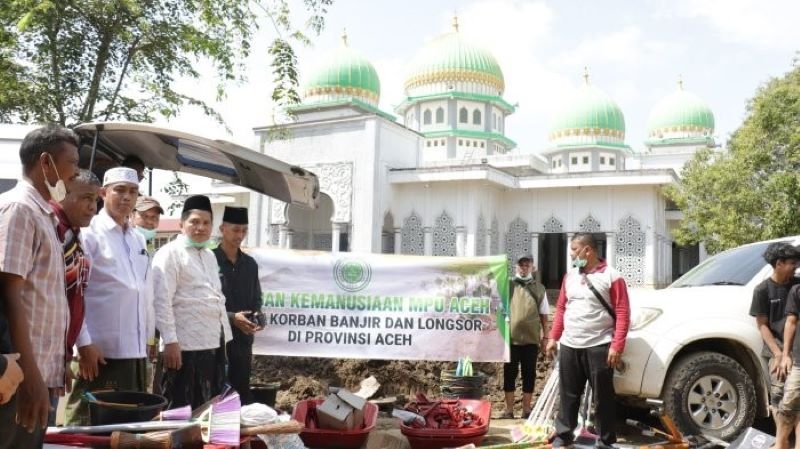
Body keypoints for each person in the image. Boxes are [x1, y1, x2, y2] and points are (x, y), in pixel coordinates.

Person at [0, 125, 79, 448]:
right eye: (72, 163)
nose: (75, 173)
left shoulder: (43, 213)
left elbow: (44, 297)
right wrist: (30, 375)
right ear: (46, 163)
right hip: (18, 376)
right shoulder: (19, 209)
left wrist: (56, 364)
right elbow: (9, 293)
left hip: (39, 374)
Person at [64, 167, 155, 425]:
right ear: (104, 193)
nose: (127, 197)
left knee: (127, 427)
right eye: (120, 190)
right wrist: (83, 344)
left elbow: (140, 291)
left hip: (133, 353)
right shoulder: (89, 233)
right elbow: (75, 291)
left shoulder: (137, 238)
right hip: (99, 354)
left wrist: (147, 339)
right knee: (87, 426)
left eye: (133, 191)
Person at [546, 232, 630, 449]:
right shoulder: (570, 276)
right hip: (570, 345)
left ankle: (605, 440)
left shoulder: (612, 276)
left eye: (575, 250)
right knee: (568, 395)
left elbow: (622, 312)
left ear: (588, 250)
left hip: (599, 346)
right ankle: (564, 436)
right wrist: (553, 337)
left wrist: (617, 346)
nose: (572, 255)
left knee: (603, 398)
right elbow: (562, 308)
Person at [153, 195, 232, 408]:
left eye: (206, 223)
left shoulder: (209, 255)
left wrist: (225, 341)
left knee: (208, 406)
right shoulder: (169, 254)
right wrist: (170, 341)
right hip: (182, 347)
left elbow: (216, 298)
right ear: (181, 224)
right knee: (179, 408)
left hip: (212, 344)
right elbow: (162, 300)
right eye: (194, 222)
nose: (200, 228)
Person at [49, 169, 100, 424]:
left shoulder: (74, 234)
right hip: (36, 358)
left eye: (95, 201)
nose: (92, 207)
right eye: (86, 198)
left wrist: (65, 356)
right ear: (62, 193)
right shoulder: (53, 229)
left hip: (57, 354)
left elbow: (74, 296)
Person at [750, 242, 800, 449]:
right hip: (776, 349)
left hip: (796, 348)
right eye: (792, 263)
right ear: (778, 264)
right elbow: (762, 325)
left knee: (796, 397)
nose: (796, 267)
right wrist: (779, 354)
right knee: (779, 396)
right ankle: (782, 442)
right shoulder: (762, 290)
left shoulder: (797, 285)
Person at [213, 206, 264, 404]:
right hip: (215, 340)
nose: (240, 235)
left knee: (240, 393)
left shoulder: (250, 264)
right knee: (217, 393)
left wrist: (258, 315)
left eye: (244, 230)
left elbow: (256, 298)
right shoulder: (210, 260)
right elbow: (204, 303)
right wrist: (233, 318)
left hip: (242, 341)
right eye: (235, 230)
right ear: (222, 229)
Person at [503, 255, 549, 419]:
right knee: (509, 374)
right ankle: (509, 410)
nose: (523, 268)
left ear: (532, 268)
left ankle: (526, 409)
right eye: (520, 265)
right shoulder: (507, 285)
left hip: (531, 339)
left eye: (526, 265)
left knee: (529, 374)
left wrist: (546, 337)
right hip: (511, 338)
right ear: (516, 267)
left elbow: (544, 315)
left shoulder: (539, 288)